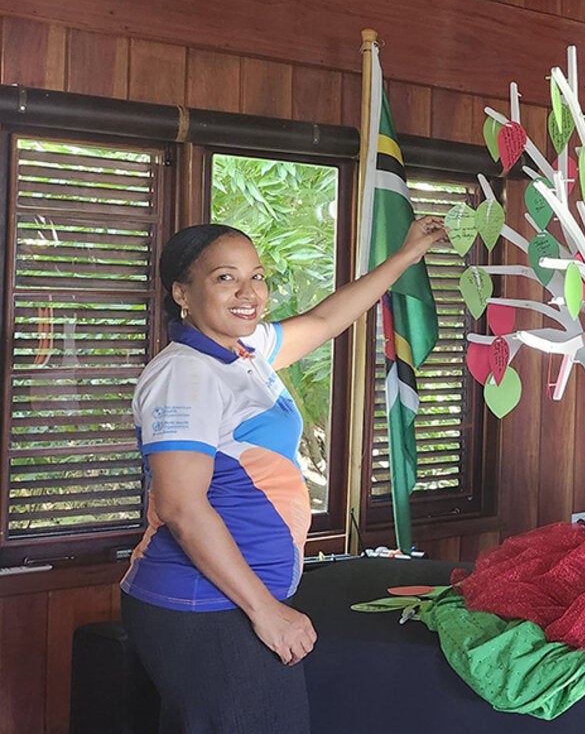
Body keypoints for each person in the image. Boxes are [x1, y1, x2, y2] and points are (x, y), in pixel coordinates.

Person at [120, 216, 446, 733]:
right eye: (225, 278)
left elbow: (325, 320)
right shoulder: (186, 373)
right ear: (182, 293)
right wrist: (266, 612)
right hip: (206, 603)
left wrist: (407, 254)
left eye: (257, 276)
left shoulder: (243, 354)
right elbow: (181, 508)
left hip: (239, 597)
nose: (248, 292)